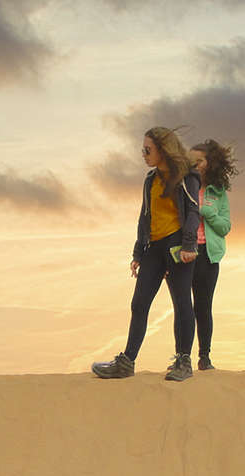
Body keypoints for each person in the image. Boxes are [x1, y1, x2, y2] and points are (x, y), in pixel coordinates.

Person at [92, 126, 203, 382]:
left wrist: (189, 245)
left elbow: (193, 212)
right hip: (153, 247)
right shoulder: (150, 180)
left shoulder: (187, 176)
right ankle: (126, 362)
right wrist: (138, 253)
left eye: (147, 149)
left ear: (163, 149)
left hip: (177, 246)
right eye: (143, 149)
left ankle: (183, 361)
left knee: (182, 302)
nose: (143, 154)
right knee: (139, 303)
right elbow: (145, 216)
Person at [188, 139, 239, 371]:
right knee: (183, 307)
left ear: (210, 163)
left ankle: (204, 357)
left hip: (208, 255)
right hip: (183, 253)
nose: (195, 165)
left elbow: (225, 227)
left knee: (202, 307)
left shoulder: (218, 193)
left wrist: (208, 213)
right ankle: (182, 357)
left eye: (199, 161)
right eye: (191, 162)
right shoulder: (183, 187)